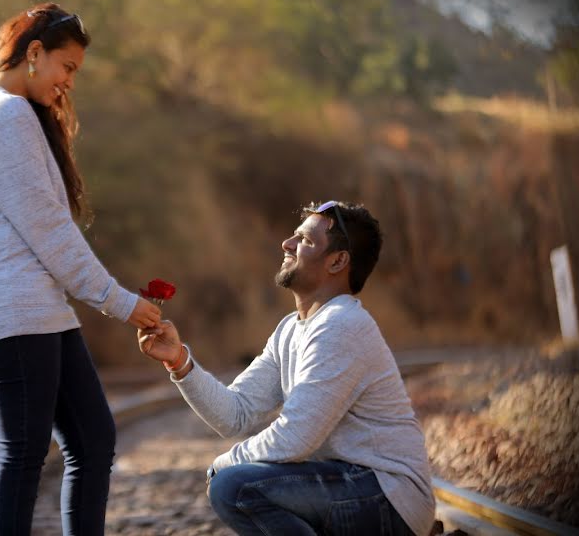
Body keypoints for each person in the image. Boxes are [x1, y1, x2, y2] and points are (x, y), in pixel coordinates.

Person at [0, 2, 161, 536]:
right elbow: (52, 234)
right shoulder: (5, 115)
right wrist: (121, 302)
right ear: (34, 54)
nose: (68, 81)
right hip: (10, 302)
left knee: (92, 438)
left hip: (35, 305)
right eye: (67, 67)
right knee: (22, 453)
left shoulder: (3, 109)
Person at [138, 201, 435, 535]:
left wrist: (225, 462)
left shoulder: (343, 325)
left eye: (305, 241)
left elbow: (295, 439)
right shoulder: (291, 329)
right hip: (350, 485)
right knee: (234, 483)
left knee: (234, 486)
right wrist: (179, 361)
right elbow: (234, 414)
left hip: (387, 496)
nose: (287, 244)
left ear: (338, 261)